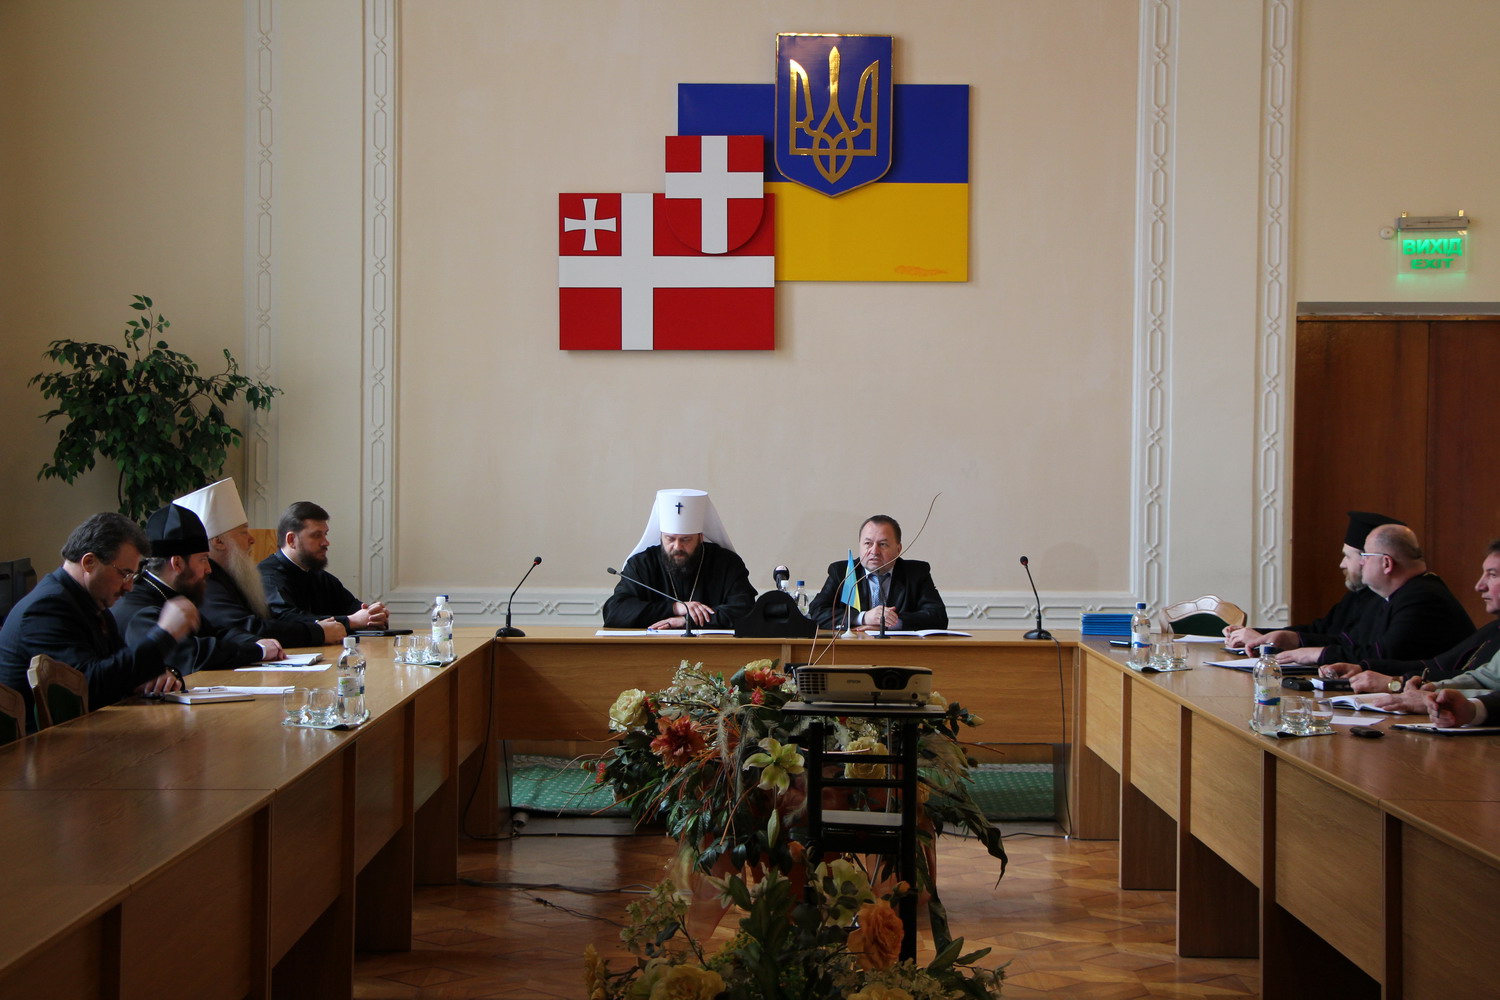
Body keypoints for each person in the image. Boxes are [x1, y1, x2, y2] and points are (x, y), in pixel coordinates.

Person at [0, 512, 192, 732]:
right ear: (89, 562)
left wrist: (156, 677)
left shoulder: (91, 604)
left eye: (132, 577)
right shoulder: (47, 607)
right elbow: (85, 687)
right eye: (124, 574)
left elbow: (118, 670)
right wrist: (164, 635)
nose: (129, 587)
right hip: (37, 747)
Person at [1255, 523, 1474, 667]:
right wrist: (1298, 643)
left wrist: (1317, 654)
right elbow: (1356, 642)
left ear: (1386, 563)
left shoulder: (1422, 598)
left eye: (1366, 557)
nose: (1360, 563)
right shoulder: (1404, 593)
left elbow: (1383, 655)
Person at [112, 504, 283, 674]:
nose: (209, 569)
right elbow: (190, 655)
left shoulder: (174, 594)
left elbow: (217, 633)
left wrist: (257, 642)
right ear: (177, 563)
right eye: (203, 559)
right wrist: (258, 651)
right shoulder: (139, 608)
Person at [176, 479, 344, 646]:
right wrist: (317, 632)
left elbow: (267, 622)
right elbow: (249, 628)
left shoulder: (230, 578)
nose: (252, 539)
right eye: (243, 532)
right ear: (219, 542)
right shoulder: (206, 582)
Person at [1323, 539, 1500, 694]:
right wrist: (1362, 667)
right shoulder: (1493, 628)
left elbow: (1481, 686)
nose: (1479, 586)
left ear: (1387, 563)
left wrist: (1396, 684)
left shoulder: (1423, 596)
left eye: (1492, 575)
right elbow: (1436, 665)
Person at [1225, 510, 1397, 651]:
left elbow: (1347, 644)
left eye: (1348, 556)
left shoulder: (1383, 600)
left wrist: (1266, 640)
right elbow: (1319, 630)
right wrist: (1256, 633)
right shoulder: (1356, 595)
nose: (1342, 564)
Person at [602, 489, 756, 629]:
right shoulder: (642, 564)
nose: (677, 546)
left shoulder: (726, 563)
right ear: (661, 537)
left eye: (686, 539)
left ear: (700, 537)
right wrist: (675, 608)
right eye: (670, 539)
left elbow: (746, 610)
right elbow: (614, 611)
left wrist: (686, 621)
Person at [259, 501, 388, 632]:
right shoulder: (267, 576)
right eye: (316, 535)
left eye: (325, 534)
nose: (326, 542)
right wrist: (351, 621)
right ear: (291, 540)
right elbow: (286, 620)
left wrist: (374, 615)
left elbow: (352, 608)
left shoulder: (321, 578)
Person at [807, 515, 947, 632]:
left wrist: (889, 623)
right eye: (868, 543)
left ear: (898, 549)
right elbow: (817, 612)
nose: (874, 551)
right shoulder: (843, 572)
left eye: (883, 544)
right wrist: (863, 618)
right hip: (853, 650)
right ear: (860, 545)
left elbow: (938, 617)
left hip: (900, 650)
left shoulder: (916, 573)